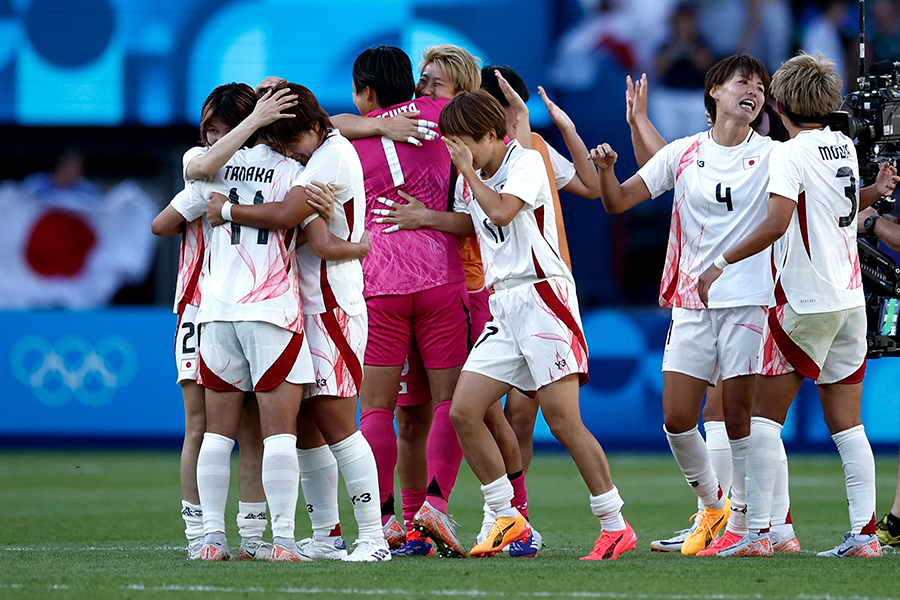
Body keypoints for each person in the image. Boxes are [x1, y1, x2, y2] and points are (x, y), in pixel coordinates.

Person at [696, 52, 899, 558]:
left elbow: (776, 221)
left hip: (806, 302)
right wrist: (878, 189)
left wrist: (719, 262)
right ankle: (864, 536)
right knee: (849, 426)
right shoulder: (844, 145)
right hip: (850, 301)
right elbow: (844, 209)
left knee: (765, 421)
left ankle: (757, 534)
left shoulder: (787, 153)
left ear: (779, 104)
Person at [436, 90, 636, 560]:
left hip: (543, 295)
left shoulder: (524, 161)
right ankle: (506, 516)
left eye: (463, 143)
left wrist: (465, 170)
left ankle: (614, 524)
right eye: (451, 144)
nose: (457, 152)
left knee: (564, 422)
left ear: (492, 134)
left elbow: (503, 210)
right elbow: (476, 222)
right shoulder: (473, 177)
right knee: (464, 411)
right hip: (503, 305)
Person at [206, 81, 386, 562]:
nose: (285, 154)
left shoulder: (331, 156)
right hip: (297, 303)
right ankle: (327, 536)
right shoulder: (317, 144)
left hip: (331, 304)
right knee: (305, 427)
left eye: (289, 144)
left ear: (311, 128)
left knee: (337, 421)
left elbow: (288, 216)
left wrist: (226, 209)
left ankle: (373, 537)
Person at [621, 70, 799, 554]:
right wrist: (638, 122)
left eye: (761, 87)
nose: (755, 92)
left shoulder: (773, 153)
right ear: (714, 91)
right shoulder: (690, 150)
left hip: (749, 297)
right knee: (687, 417)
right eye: (744, 82)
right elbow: (669, 170)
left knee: (740, 417)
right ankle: (720, 512)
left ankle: (758, 526)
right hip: (694, 299)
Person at [150, 83, 303, 560]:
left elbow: (172, 210)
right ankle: (272, 540)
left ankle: (220, 538)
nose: (214, 137)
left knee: (223, 430)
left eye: (222, 128)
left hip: (215, 309)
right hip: (267, 309)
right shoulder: (290, 170)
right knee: (265, 430)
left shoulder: (208, 174)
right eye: (210, 130)